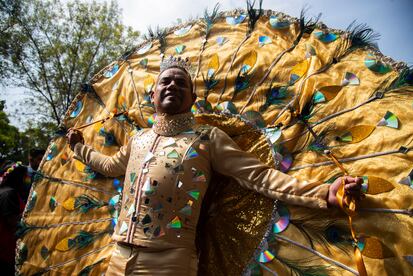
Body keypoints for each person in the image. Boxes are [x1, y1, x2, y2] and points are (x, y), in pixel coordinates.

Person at [66, 57, 362, 275]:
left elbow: (259, 177)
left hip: (170, 263)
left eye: (181, 83)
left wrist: (324, 194)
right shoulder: (138, 138)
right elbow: (108, 165)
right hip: (118, 258)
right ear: (153, 95)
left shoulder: (206, 138)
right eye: (165, 82)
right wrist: (79, 147)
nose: (172, 85)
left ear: (192, 99)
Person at [0, 149, 45, 275]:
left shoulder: (8, 191)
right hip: (6, 249)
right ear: (16, 178)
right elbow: (13, 222)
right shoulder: (8, 194)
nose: (25, 180)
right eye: (22, 177)